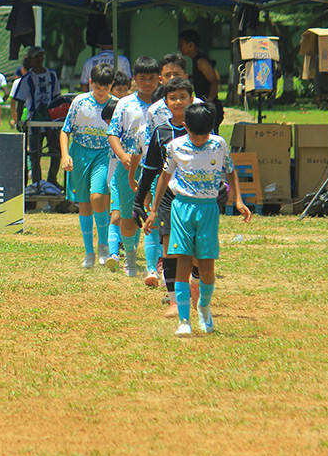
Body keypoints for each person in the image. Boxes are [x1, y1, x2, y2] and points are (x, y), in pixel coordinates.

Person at [143, 102, 251, 337]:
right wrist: (152, 210)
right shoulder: (175, 146)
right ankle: (184, 319)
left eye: (205, 135)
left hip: (208, 210)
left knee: (206, 264)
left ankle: (204, 306)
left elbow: (231, 170)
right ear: (185, 127)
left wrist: (239, 201)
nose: (200, 140)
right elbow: (164, 176)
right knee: (183, 260)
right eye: (195, 135)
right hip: (181, 208)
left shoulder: (218, 144)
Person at [133, 77, 195, 315]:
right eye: (173, 98)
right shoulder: (161, 131)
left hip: (196, 197)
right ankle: (173, 300)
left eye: (183, 97)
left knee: (194, 251)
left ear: (191, 99)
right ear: (165, 102)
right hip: (169, 198)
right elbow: (150, 169)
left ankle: (193, 289)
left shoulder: (201, 127)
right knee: (169, 247)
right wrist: (139, 200)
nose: (178, 102)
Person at [106, 57, 160, 277]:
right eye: (142, 78)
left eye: (152, 78)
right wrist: (122, 155)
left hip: (158, 168)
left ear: (159, 79)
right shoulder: (125, 103)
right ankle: (129, 258)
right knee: (128, 216)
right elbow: (112, 133)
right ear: (134, 79)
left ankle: (154, 265)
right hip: (129, 168)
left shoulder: (164, 102)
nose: (147, 83)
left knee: (155, 215)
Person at [60, 63, 115, 268]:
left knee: (98, 196)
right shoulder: (79, 102)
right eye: (97, 87)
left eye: (106, 88)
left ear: (112, 85)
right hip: (80, 152)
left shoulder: (117, 104)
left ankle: (103, 244)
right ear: (90, 83)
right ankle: (89, 253)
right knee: (84, 203)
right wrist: (65, 155)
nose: (101, 93)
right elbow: (65, 130)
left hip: (104, 153)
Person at [13, 46, 61, 187]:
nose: (39, 60)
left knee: (56, 152)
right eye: (36, 58)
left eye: (41, 57)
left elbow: (57, 96)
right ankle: (37, 183)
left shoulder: (52, 75)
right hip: (34, 123)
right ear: (30, 60)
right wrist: (19, 120)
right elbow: (20, 101)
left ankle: (52, 179)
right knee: (35, 154)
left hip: (52, 122)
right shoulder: (27, 79)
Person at [178, 29, 224, 133]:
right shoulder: (196, 60)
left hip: (210, 107)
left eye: (182, 44)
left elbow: (214, 81)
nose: (180, 48)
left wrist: (209, 102)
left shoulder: (200, 61)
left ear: (191, 45)